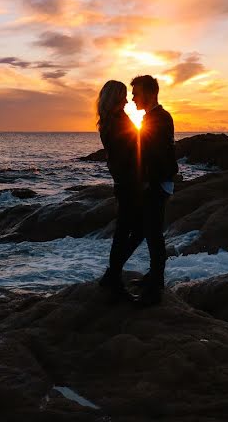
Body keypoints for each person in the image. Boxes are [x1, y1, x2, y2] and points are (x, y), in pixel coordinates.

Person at [131, 75, 178, 305]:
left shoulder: (158, 119)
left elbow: (158, 155)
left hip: (157, 183)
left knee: (153, 234)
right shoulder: (156, 117)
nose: (132, 98)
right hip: (160, 181)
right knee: (152, 231)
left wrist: (149, 181)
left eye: (136, 93)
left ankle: (155, 286)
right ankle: (154, 276)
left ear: (149, 94)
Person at [95, 80, 142, 301]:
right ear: (115, 98)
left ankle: (112, 275)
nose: (126, 100)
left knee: (126, 231)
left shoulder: (109, 121)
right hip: (129, 182)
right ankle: (113, 277)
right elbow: (128, 153)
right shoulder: (116, 123)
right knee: (130, 231)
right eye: (123, 96)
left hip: (124, 181)